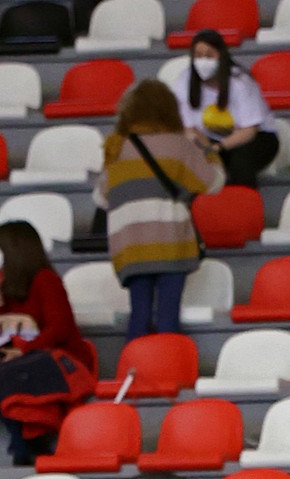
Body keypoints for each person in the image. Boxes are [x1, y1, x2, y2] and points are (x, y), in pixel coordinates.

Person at [94, 79, 223, 339]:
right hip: (170, 242)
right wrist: (208, 149)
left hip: (130, 245)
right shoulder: (179, 145)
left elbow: (101, 197)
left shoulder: (116, 147)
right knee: (167, 316)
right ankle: (168, 361)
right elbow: (213, 182)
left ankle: (136, 360)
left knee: (139, 315)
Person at [0, 218, 97, 465]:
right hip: (22, 358)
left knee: (10, 373)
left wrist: (24, 350)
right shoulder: (6, 283)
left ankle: (25, 445)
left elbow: (58, 328)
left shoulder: (46, 280)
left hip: (56, 355)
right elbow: (2, 328)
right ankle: (25, 440)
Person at [165, 28, 280, 188]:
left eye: (209, 55)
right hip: (210, 139)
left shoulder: (241, 82)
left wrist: (218, 148)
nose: (203, 61)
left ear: (221, 55)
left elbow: (249, 131)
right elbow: (189, 129)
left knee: (240, 164)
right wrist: (204, 148)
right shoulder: (184, 81)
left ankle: (245, 200)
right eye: (198, 56)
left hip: (255, 138)